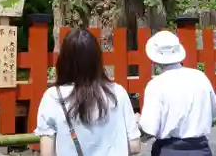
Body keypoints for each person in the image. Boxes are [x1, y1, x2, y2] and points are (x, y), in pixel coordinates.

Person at [35, 28, 141, 156]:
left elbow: (47, 153)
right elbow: (135, 147)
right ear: (97, 59)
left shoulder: (53, 97)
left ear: (64, 60)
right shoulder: (117, 93)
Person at [139, 31, 216, 156]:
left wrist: (137, 122)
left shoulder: (156, 84)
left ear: (154, 59)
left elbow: (149, 128)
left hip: (169, 150)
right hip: (201, 149)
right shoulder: (200, 77)